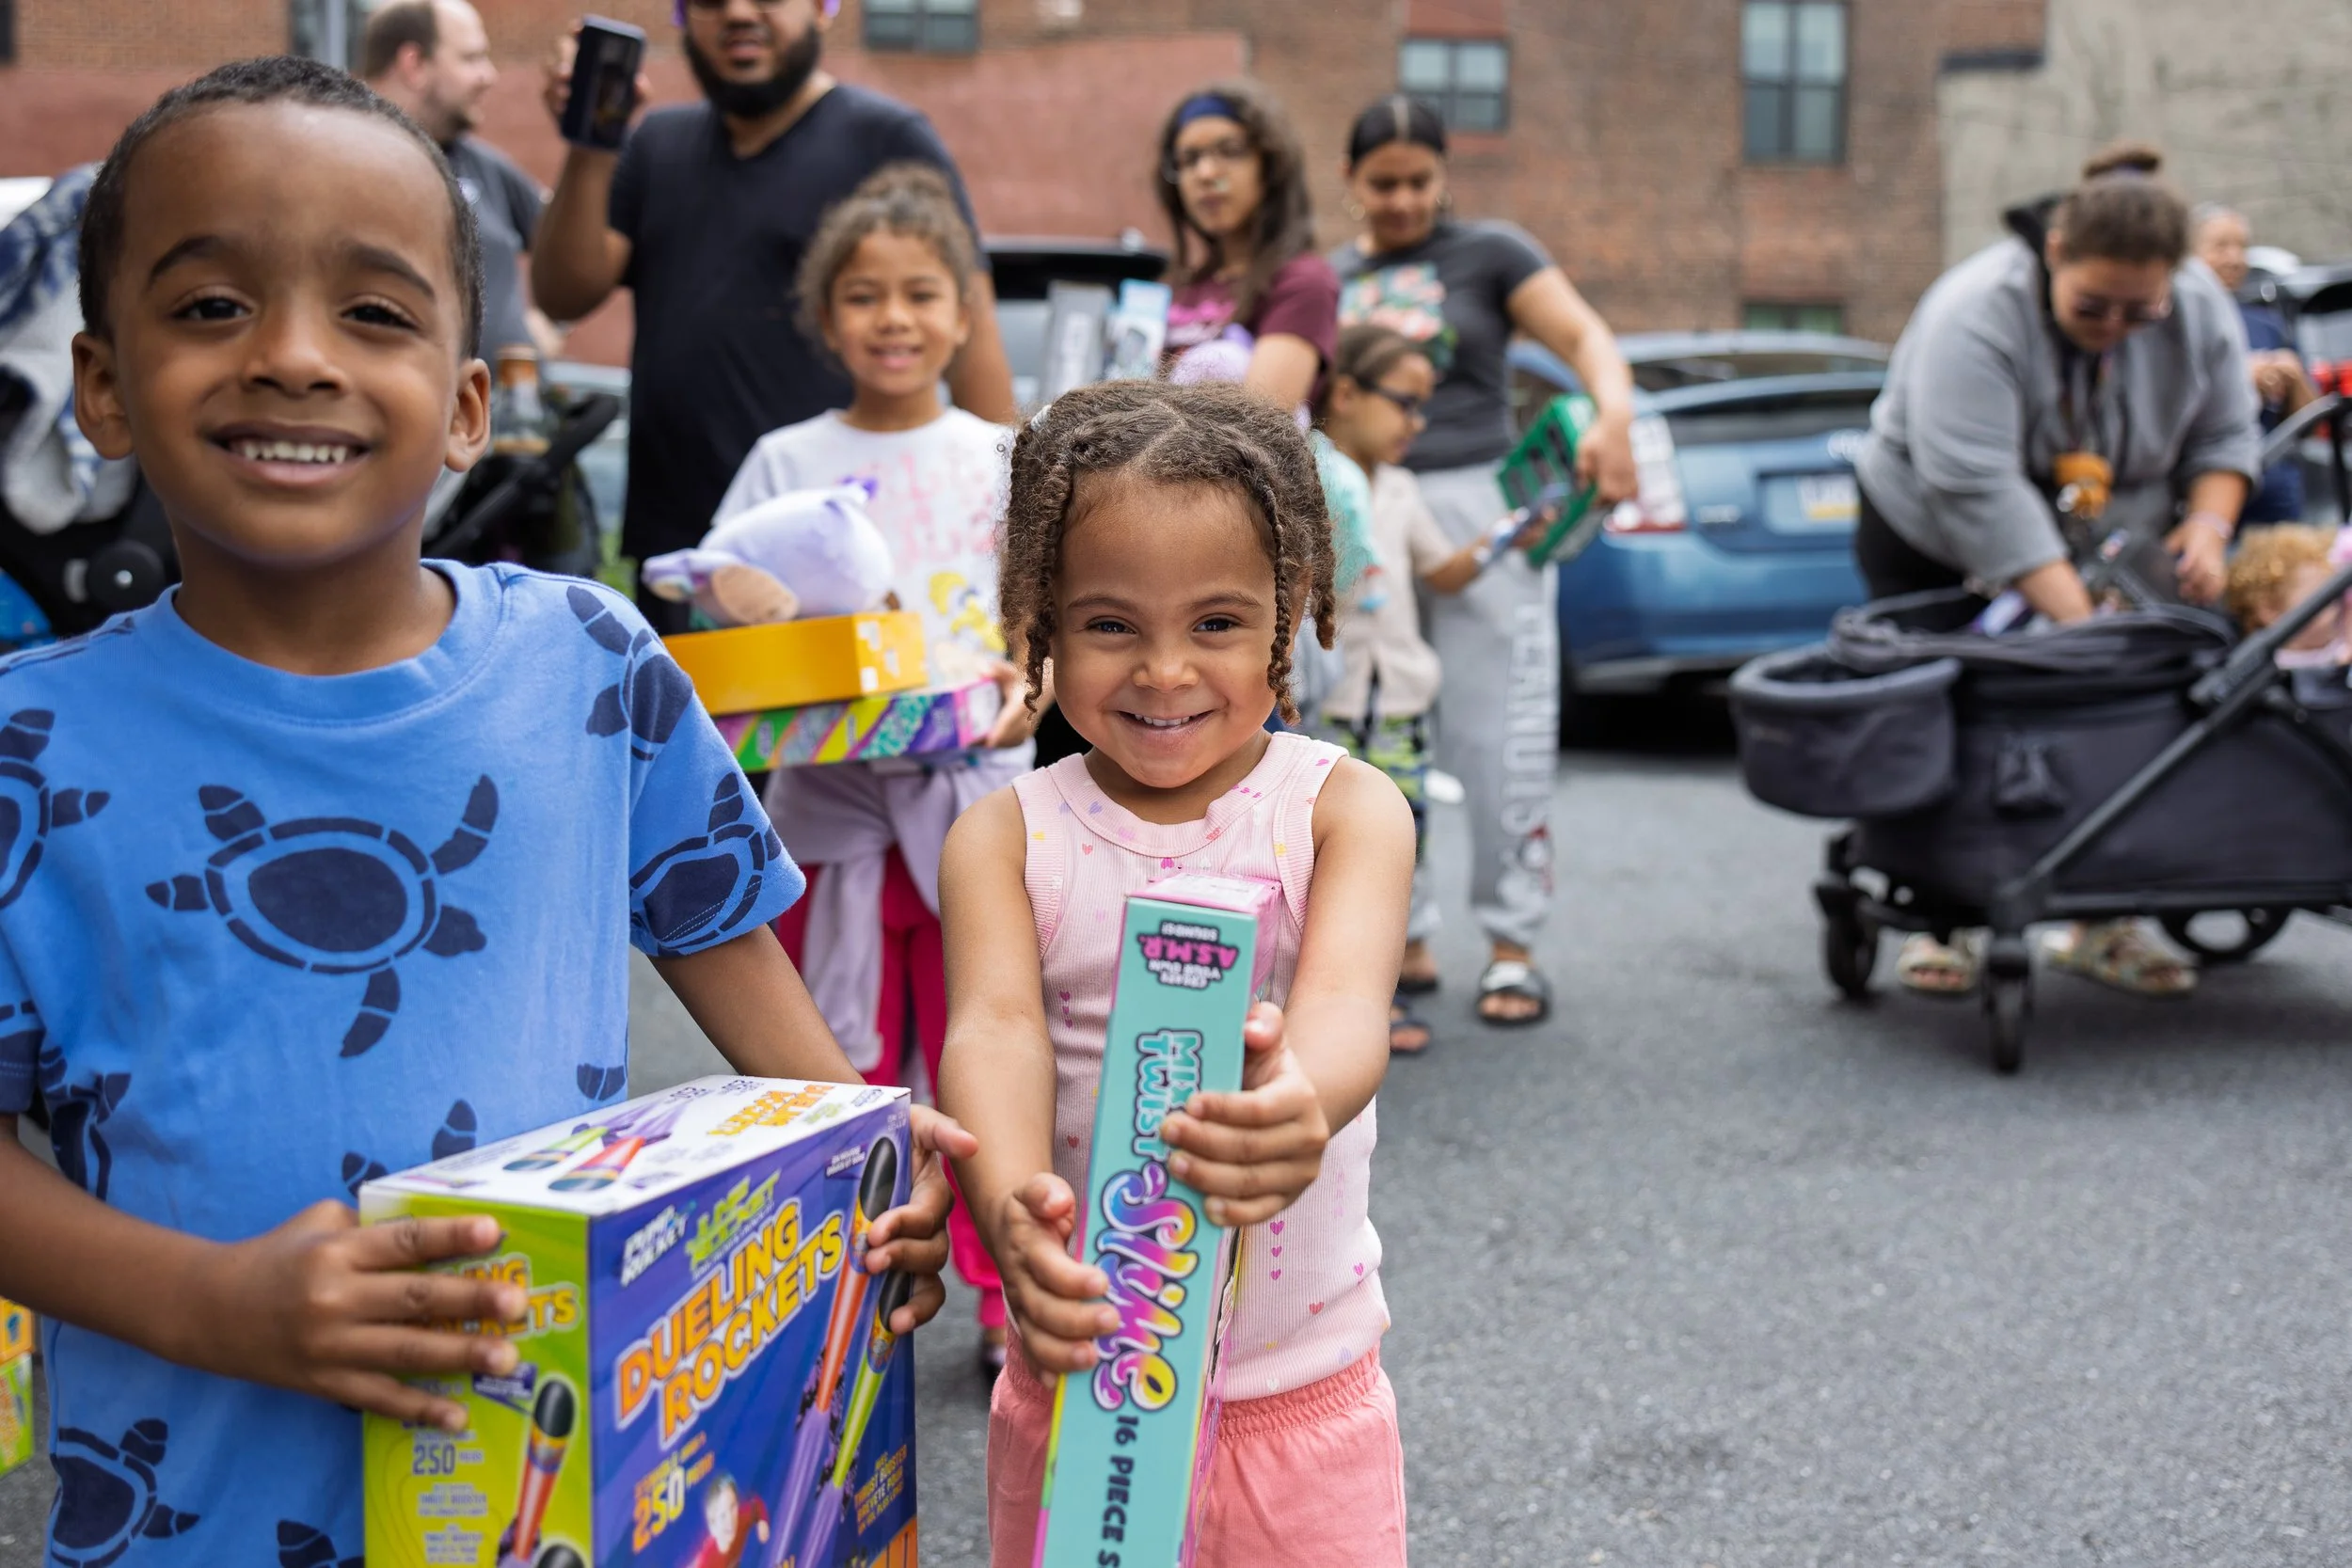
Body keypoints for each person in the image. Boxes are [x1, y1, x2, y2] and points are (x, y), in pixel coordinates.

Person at [0, 59, 968, 1561]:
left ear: (465, 409)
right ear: (105, 386)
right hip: (191, 1513)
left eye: (373, 312)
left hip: (546, 1492)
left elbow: (726, 940)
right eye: (211, 307)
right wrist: (216, 1302)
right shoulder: (27, 746)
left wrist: (868, 1160)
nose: (295, 358)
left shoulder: (588, 665)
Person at [938, 382, 1414, 1568]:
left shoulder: (1341, 811)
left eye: (1215, 622)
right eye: (1109, 625)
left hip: (1298, 1396)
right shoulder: (1006, 835)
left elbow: (1348, 1003)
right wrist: (1007, 1214)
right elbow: (992, 1032)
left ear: (1288, 611)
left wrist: (1296, 1102)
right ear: (1041, 619)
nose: (1162, 670)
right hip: (1084, 1377)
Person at [713, 164, 1029, 1371]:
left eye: (919, 293)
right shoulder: (786, 461)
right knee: (835, 1057)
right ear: (825, 316)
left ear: (962, 312)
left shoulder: (1001, 454)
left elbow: (1038, 618)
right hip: (827, 813)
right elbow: (720, 595)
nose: (892, 318)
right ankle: (841, 1275)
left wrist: (1030, 684)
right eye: (862, 295)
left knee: (985, 1047)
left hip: (977, 818)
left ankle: (1007, 1296)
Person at [1853, 141, 2260, 999]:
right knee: (1959, 710)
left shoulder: (2195, 307)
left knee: (2122, 720)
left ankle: (2103, 915)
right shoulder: (1976, 310)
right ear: (2054, 254)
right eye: (2094, 307)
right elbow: (1975, 489)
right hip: (1939, 532)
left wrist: (2209, 528)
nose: (2116, 326)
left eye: (2137, 311)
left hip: (2112, 532)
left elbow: (2225, 435)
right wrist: (2083, 630)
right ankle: (1945, 918)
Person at [530, 0, 1018, 631]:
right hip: (686, 562)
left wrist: (1014, 533)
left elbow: (972, 343)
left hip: (841, 578)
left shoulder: (886, 139)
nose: (737, 12)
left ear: (822, 9)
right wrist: (593, 138)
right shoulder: (656, 145)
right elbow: (564, 292)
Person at [1332, 94, 1638, 1027]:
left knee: (1497, 728)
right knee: (1377, 729)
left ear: (1443, 174)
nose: (1402, 200)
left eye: (1419, 180)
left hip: (1480, 497)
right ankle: (1401, 933)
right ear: (1350, 182)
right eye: (1382, 183)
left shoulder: (1493, 252)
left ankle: (1511, 942)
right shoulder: (1328, 274)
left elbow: (1585, 338)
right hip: (1366, 504)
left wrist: (1614, 414)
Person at [1313, 323, 1548, 1055]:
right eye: (1404, 404)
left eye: (1425, 407)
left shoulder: (1403, 487)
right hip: (1334, 699)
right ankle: (1367, 991)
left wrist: (1503, 535)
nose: (1417, 423)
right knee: (1339, 848)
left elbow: (1440, 572)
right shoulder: (1310, 476)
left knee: (1404, 831)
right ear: (1345, 394)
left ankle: (1408, 947)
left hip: (1403, 697)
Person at [362, 0, 563, 360]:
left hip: (512, 412)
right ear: (415, 64)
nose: (489, 75)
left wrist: (546, 323)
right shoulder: (342, 162)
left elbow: (575, 248)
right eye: (471, 59)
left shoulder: (482, 164)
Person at [1155, 81, 1340, 412]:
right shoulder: (1177, 286)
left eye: (1230, 151)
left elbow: (1261, 425)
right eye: (1189, 159)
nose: (1207, 173)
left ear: (1270, 167)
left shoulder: (1302, 282)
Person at [2193, 201, 2317, 526]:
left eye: (2241, 247)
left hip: (2276, 489)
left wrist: (2293, 374)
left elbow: (2312, 420)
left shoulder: (2266, 323)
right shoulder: (2175, 324)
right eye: (2221, 246)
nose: (2234, 258)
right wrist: (2241, 379)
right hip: (2205, 496)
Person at [2225, 523, 2351, 665]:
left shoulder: (2342, 642)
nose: (2335, 607)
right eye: (2321, 597)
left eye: (2333, 595)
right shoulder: (2269, 667)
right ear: (2270, 608)